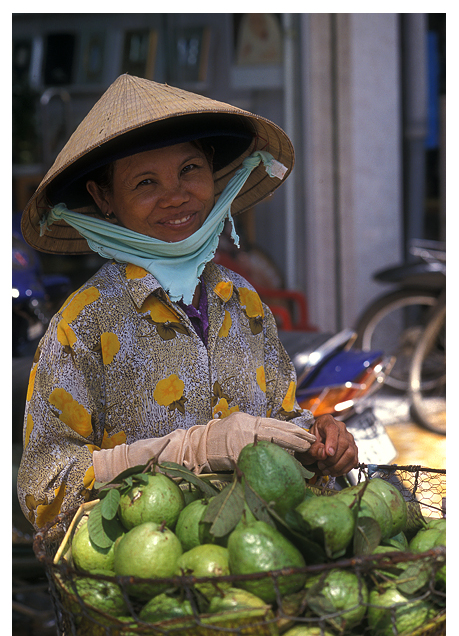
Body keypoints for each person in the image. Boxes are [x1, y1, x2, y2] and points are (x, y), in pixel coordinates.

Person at [17, 74, 358, 530]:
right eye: (145, 182)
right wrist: (184, 452)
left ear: (212, 171)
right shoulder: (82, 324)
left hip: (261, 564)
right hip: (147, 579)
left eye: (189, 170)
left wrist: (318, 439)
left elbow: (281, 422)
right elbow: (44, 491)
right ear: (104, 198)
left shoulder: (244, 301)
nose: (176, 195)